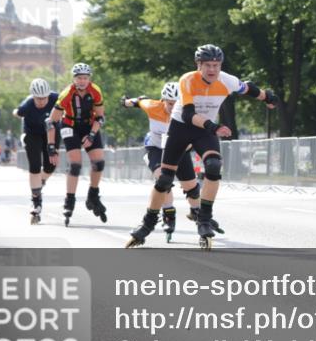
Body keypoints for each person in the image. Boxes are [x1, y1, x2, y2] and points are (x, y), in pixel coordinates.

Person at [126, 44, 278, 250]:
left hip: (205, 130)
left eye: (216, 65)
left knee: (214, 166)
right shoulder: (187, 80)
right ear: (199, 65)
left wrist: (268, 97)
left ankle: (204, 220)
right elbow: (188, 115)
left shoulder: (227, 80)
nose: (212, 70)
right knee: (164, 179)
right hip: (181, 127)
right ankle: (147, 224)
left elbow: (248, 89)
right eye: (207, 65)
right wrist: (214, 127)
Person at [122, 81, 214, 245]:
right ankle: (168, 213)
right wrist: (126, 102)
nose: (173, 107)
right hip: (156, 147)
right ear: (163, 100)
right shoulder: (152, 106)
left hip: (180, 149)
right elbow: (138, 101)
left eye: (177, 103)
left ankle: (197, 213)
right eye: (170, 103)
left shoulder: (187, 113)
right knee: (163, 180)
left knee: (192, 190)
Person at [47, 63, 108, 226]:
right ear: (74, 79)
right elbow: (51, 122)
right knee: (75, 165)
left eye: (85, 78)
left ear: (89, 79)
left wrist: (92, 134)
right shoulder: (66, 94)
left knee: (99, 163)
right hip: (70, 126)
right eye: (79, 78)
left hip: (89, 126)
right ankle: (69, 200)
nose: (82, 81)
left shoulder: (95, 91)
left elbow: (100, 117)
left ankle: (93, 194)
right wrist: (51, 147)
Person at [14, 78, 59, 224]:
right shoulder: (27, 105)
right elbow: (17, 112)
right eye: (38, 99)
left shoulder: (56, 98)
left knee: (50, 166)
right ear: (33, 96)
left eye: (44, 98)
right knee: (34, 166)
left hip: (51, 133)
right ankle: (36, 201)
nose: (41, 101)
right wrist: (17, 113)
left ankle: (41, 181)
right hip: (32, 134)